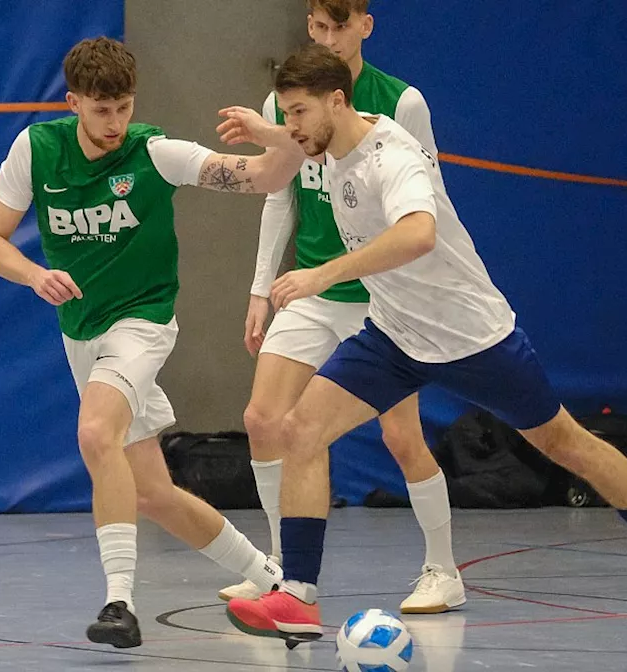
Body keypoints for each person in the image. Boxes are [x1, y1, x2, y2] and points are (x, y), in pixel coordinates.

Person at [224, 44, 627, 644]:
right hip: (396, 335)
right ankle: (298, 595)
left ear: (336, 101)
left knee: (568, 445)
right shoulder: (329, 145)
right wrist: (267, 132)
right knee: (300, 430)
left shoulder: (392, 156)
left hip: (470, 335)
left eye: (298, 114)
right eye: (286, 115)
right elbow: (280, 162)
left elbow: (419, 234)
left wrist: (325, 273)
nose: (292, 127)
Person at [0, 37, 305, 649]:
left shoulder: (154, 151)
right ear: (73, 102)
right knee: (153, 494)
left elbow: (264, 179)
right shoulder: (35, 150)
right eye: (102, 111)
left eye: (124, 107)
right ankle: (275, 581)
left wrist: (278, 136)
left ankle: (119, 602)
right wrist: (33, 274)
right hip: (82, 332)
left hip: (143, 321)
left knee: (95, 432)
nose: (115, 122)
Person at [222, 0, 464, 615]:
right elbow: (280, 192)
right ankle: (284, 570)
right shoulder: (289, 100)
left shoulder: (401, 102)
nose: (330, 39)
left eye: (341, 26)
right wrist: (260, 287)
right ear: (308, 25)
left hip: (381, 297)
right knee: (262, 418)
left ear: (366, 25)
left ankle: (443, 568)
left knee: (400, 434)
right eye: (319, 27)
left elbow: (427, 203)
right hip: (310, 289)